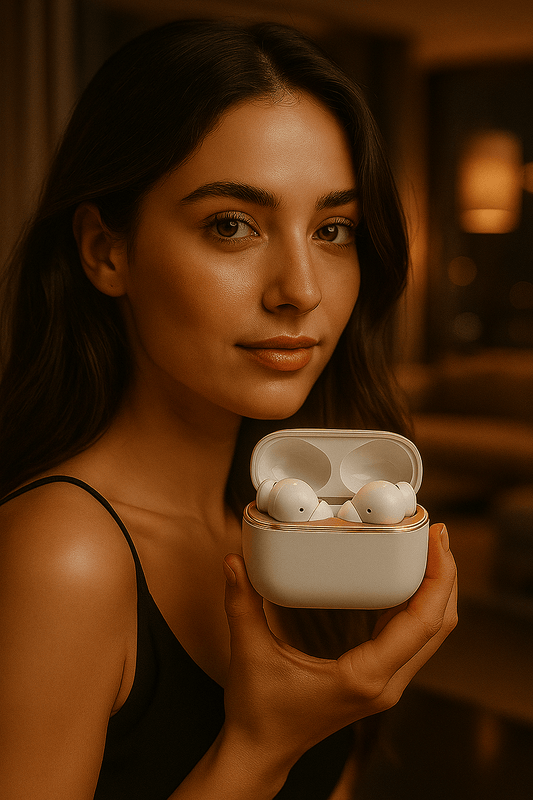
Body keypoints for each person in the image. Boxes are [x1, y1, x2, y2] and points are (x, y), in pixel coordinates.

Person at [0, 18, 457, 800]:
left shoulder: (291, 522)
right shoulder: (64, 555)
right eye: (231, 225)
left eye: (333, 229)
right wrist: (258, 748)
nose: (301, 289)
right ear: (106, 251)